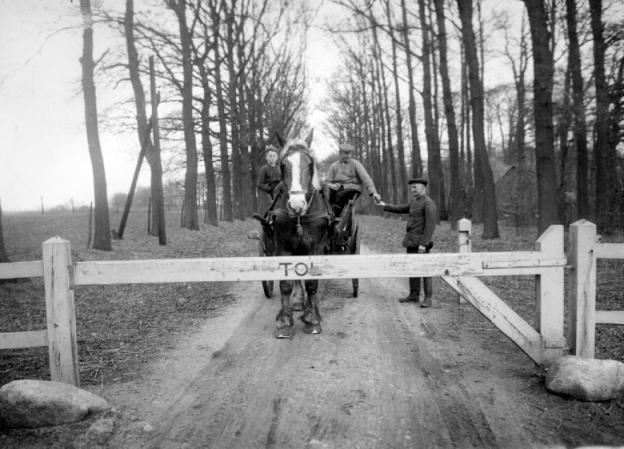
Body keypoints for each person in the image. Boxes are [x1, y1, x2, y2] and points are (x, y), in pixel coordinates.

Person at [377, 178, 437, 308]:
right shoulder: (414, 201)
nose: (412, 190)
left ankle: (428, 299)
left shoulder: (428, 203)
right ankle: (414, 295)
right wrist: (384, 205)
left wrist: (424, 243)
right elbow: (401, 208)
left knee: (425, 270)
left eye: (415, 187)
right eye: (412, 187)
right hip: (411, 241)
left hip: (421, 243)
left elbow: (430, 226)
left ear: (423, 188)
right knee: (412, 268)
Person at [326, 143, 381, 217]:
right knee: (328, 195)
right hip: (338, 188)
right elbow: (329, 181)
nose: (348, 156)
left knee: (340, 195)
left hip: (352, 188)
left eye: (349, 153)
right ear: (340, 153)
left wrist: (374, 193)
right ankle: (329, 215)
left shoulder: (356, 164)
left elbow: (366, 178)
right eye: (345, 153)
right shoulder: (333, 166)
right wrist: (331, 185)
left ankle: (337, 218)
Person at [257, 147, 281, 212]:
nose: (272, 158)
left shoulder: (280, 169)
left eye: (274, 156)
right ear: (266, 157)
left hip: (280, 195)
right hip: (268, 195)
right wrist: (270, 189)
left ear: (277, 157)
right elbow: (259, 184)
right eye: (270, 156)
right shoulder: (264, 169)